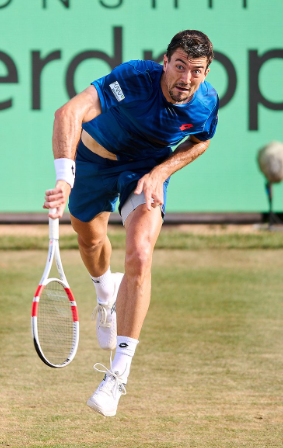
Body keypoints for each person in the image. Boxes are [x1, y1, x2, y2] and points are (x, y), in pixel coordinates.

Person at [43, 30, 219, 417]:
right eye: (179, 66)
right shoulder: (133, 79)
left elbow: (200, 141)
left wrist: (161, 171)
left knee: (139, 254)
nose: (186, 79)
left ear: (206, 73)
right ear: (165, 62)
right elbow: (67, 113)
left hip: (143, 173)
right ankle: (105, 292)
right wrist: (64, 178)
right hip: (92, 163)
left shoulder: (205, 104)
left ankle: (117, 376)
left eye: (196, 71)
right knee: (90, 242)